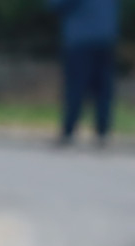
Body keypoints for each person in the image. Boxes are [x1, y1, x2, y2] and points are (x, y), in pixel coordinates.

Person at [47, 0, 120, 146]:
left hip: (80, 38)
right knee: (103, 87)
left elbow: (56, 6)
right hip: (106, 36)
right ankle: (102, 132)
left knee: (76, 86)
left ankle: (69, 131)